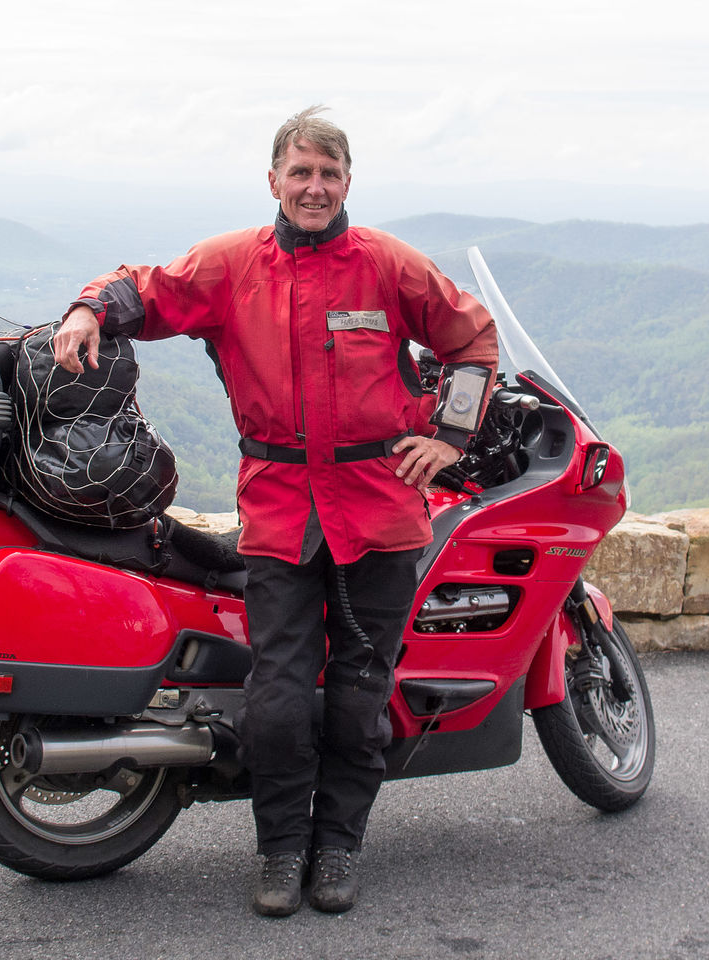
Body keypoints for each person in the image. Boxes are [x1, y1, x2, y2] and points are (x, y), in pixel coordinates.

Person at [51, 106, 497, 917]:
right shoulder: (233, 266)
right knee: (280, 698)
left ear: (348, 181)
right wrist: (87, 310)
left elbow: (471, 340)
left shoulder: (391, 266)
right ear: (274, 182)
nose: (315, 187)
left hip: (379, 510)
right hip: (282, 509)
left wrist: (451, 438)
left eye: (329, 174)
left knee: (362, 696)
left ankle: (338, 850)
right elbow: (146, 291)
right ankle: (281, 850)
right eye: (301, 173)